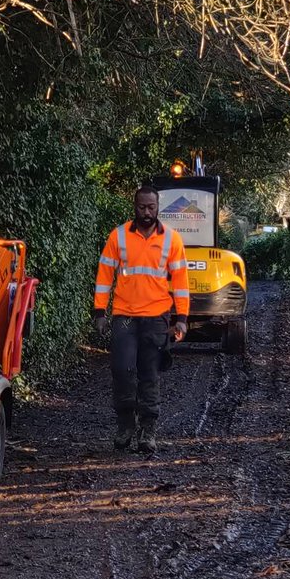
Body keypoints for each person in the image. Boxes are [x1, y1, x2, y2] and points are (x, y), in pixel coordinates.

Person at [93, 186, 189, 454]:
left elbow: (181, 282)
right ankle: (125, 425)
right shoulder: (119, 236)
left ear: (158, 208)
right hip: (124, 316)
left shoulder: (172, 239)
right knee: (122, 370)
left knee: (150, 373)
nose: (146, 212)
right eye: (142, 207)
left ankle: (148, 430)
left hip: (156, 317)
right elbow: (104, 275)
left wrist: (182, 318)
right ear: (134, 207)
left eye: (151, 207)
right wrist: (99, 312)